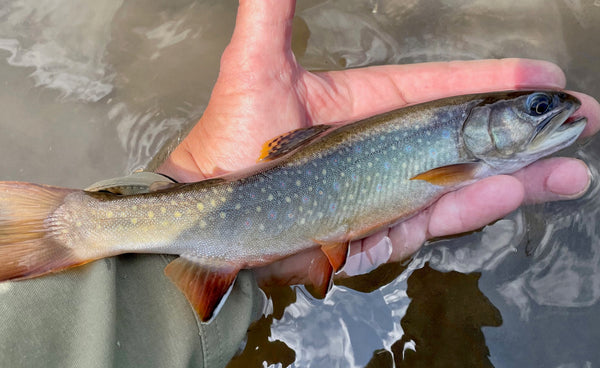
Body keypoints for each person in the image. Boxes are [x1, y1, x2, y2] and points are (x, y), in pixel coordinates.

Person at [2, 1, 599, 368]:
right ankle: (78, 227)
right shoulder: (460, 161)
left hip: (248, 224)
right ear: (481, 125)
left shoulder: (464, 153)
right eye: (537, 107)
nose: (554, 111)